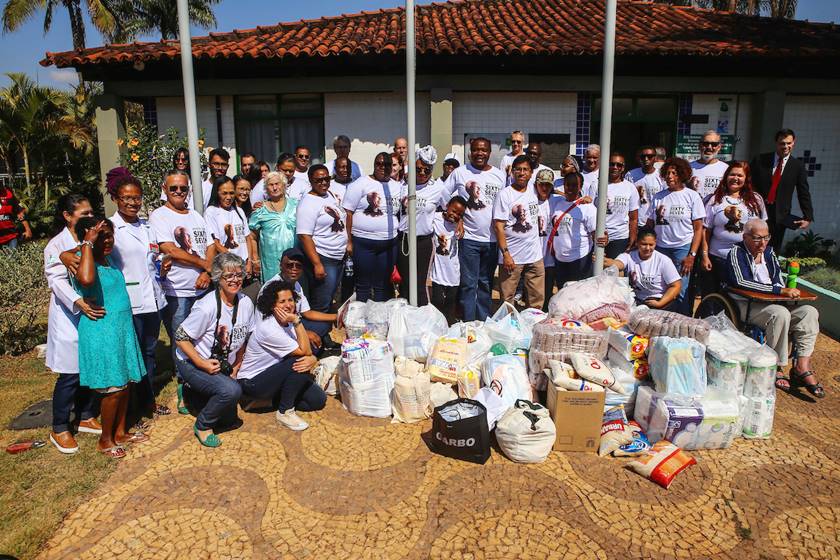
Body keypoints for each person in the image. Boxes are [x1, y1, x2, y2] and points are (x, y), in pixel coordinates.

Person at [73, 217, 148, 458]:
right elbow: (85, 280)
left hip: (120, 330)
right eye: (101, 236)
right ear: (88, 238)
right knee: (113, 389)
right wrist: (86, 244)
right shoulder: (84, 261)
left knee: (124, 385)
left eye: (109, 236)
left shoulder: (107, 259)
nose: (107, 241)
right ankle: (105, 440)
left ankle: (121, 432)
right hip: (102, 331)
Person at [725, 219, 823, 398]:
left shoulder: (769, 252)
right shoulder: (736, 252)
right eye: (756, 238)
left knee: (809, 312)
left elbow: (778, 277)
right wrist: (778, 290)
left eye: (766, 237)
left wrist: (781, 290)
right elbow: (742, 281)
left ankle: (801, 366)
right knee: (780, 314)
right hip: (748, 304)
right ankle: (776, 366)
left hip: (774, 302)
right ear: (745, 236)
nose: (762, 243)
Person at [106, 170, 170, 418]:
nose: (133, 202)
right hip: (129, 302)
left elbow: (152, 256)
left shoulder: (147, 226)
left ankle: (148, 402)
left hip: (153, 298)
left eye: (137, 197)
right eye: (126, 198)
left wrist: (162, 262)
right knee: (130, 357)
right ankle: (132, 409)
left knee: (149, 353)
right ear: (116, 199)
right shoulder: (111, 228)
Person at [150, 170, 214, 414]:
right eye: (174, 188)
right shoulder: (159, 216)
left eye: (183, 188)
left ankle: (201, 380)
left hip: (202, 287)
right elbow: (170, 249)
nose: (179, 192)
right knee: (181, 339)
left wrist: (207, 272)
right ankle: (183, 386)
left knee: (201, 337)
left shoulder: (196, 215)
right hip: (177, 291)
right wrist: (203, 265)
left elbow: (208, 245)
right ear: (165, 189)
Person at [175, 253, 254, 447]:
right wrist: (201, 363)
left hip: (222, 363)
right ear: (218, 278)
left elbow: (244, 338)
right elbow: (180, 337)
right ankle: (202, 426)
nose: (235, 280)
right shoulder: (206, 306)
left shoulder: (246, 302)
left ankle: (190, 393)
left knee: (228, 419)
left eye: (238, 274)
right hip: (193, 362)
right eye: (229, 276)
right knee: (231, 391)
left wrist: (237, 365)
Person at [45, 194, 100, 454]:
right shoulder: (56, 246)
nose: (89, 218)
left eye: (91, 212)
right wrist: (78, 301)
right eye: (83, 214)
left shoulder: (91, 237)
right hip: (69, 315)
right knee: (70, 374)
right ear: (67, 216)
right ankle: (59, 426)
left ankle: (86, 414)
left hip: (91, 311)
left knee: (89, 365)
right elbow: (56, 281)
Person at [237, 280, 324, 431]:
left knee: (317, 400)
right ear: (272, 305)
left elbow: (307, 350)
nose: (288, 305)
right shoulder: (269, 328)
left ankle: (267, 401)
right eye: (282, 301)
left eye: (290, 300)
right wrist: (297, 321)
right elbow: (305, 352)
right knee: (299, 361)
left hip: (276, 374)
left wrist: (313, 358)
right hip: (253, 382)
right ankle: (285, 411)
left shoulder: (287, 323)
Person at [442, 137, 506, 320]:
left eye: (484, 150)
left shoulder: (500, 176)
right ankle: (469, 323)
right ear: (470, 151)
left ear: (489, 153)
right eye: (476, 150)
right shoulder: (460, 173)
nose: (480, 153)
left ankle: (483, 322)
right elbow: (444, 196)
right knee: (469, 284)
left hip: (492, 240)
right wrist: (456, 219)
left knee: (485, 283)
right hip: (469, 240)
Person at [645, 157, 705, 315]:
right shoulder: (658, 197)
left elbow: (698, 229)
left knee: (680, 290)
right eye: (668, 173)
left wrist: (692, 254)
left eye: (675, 173)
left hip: (682, 249)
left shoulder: (692, 196)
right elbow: (650, 224)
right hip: (660, 249)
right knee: (661, 287)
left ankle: (682, 324)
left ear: (683, 174)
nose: (670, 176)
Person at [343, 152, 401, 302]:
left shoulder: (397, 187)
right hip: (363, 242)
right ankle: (363, 320)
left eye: (387, 164)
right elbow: (348, 213)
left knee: (382, 284)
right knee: (363, 284)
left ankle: (378, 319)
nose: (383, 167)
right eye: (379, 164)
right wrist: (349, 241)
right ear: (374, 165)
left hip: (389, 243)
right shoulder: (361, 183)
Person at [260, 248, 339, 352]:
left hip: (293, 323)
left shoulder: (296, 284)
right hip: (277, 331)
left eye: (298, 266)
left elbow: (307, 313)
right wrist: (305, 333)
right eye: (289, 265)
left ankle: (310, 344)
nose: (294, 269)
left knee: (324, 325)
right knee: (313, 348)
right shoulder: (270, 288)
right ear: (280, 266)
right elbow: (268, 326)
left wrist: (337, 317)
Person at [702, 161, 767, 285]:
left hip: (744, 258)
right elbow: (706, 231)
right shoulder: (715, 200)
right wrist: (705, 256)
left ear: (746, 179)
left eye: (740, 175)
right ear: (726, 176)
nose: (735, 178)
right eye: (732, 175)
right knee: (713, 297)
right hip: (717, 258)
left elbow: (763, 230)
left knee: (736, 296)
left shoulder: (756, 200)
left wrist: (759, 254)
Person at [750, 128, 813, 253]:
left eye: (788, 143)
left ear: (793, 143)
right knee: (753, 246)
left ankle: (770, 271)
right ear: (776, 143)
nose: (785, 146)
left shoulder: (797, 166)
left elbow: (803, 192)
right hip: (758, 212)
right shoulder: (760, 160)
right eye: (782, 143)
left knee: (773, 250)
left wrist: (808, 216)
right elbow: (749, 183)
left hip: (779, 215)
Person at [494, 155, 545, 309]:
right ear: (512, 172)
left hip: (535, 257)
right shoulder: (505, 195)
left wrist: (582, 199)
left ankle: (532, 326)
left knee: (536, 299)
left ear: (531, 173)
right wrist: (506, 254)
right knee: (507, 301)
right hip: (512, 258)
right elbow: (498, 226)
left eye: (525, 170)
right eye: (518, 170)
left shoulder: (534, 191)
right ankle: (508, 330)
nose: (522, 173)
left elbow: (552, 192)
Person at [397, 146, 444, 305]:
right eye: (418, 169)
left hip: (423, 242)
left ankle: (422, 318)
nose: (422, 173)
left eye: (427, 170)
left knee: (419, 284)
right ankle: (404, 318)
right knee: (405, 282)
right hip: (403, 240)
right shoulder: (403, 185)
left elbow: (450, 207)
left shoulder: (438, 188)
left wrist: (459, 222)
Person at [297, 164, 347, 313]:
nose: (324, 183)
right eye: (319, 180)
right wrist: (317, 264)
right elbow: (304, 236)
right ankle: (318, 333)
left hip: (338, 256)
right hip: (324, 257)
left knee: (329, 296)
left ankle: (323, 332)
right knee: (321, 300)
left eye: (327, 179)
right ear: (310, 181)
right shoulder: (307, 203)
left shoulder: (329, 195)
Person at [604, 229, 681, 309]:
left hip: (658, 301)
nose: (647, 248)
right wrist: (600, 258)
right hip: (636, 300)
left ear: (655, 243)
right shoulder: (629, 256)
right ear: (637, 243)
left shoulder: (664, 260)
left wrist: (660, 303)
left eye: (651, 245)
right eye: (644, 244)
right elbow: (617, 264)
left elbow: (676, 286)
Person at [547, 171, 599, 290]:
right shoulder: (557, 202)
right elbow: (548, 191)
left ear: (580, 187)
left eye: (574, 185)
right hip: (560, 259)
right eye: (568, 185)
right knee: (563, 292)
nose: (570, 188)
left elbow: (595, 234)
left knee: (579, 294)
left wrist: (598, 252)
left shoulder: (587, 208)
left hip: (580, 259)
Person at [249, 171, 298, 283]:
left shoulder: (296, 205)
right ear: (266, 188)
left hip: (293, 259)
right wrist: (255, 260)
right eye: (271, 185)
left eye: (277, 184)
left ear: (284, 185)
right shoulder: (260, 210)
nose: (275, 188)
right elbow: (252, 236)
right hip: (270, 262)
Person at [204, 176, 255, 278]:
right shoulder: (211, 212)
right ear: (217, 193)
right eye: (224, 193)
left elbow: (247, 238)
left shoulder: (239, 211)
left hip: (243, 265)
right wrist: (236, 262)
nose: (228, 197)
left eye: (231, 193)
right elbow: (215, 244)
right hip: (227, 267)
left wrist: (249, 261)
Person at [429, 197, 467, 321]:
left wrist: (460, 221)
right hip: (438, 271)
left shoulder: (459, 224)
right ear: (447, 206)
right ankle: (436, 325)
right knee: (438, 301)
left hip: (453, 272)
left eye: (459, 214)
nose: (455, 215)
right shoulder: (435, 217)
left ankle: (449, 327)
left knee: (450, 302)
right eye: (454, 211)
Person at [599, 152, 640, 259]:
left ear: (623, 168)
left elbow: (633, 217)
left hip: (620, 237)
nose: (615, 167)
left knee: (615, 271)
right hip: (599, 236)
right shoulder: (596, 185)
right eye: (612, 164)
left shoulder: (630, 188)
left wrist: (633, 237)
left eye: (619, 165)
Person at [534, 169, 558, 306]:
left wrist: (585, 199)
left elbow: (573, 199)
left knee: (548, 288)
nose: (544, 188)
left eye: (548, 185)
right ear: (536, 184)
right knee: (533, 290)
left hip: (550, 255)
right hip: (534, 253)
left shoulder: (557, 200)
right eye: (541, 184)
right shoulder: (530, 199)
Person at [690, 130, 730, 202]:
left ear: (719, 147)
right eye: (705, 143)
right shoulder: (688, 168)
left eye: (714, 144)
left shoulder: (726, 169)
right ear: (699, 145)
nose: (709, 147)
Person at [633, 146, 666, 228]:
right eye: (643, 156)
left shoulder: (661, 175)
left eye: (650, 156)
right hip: (637, 222)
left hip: (655, 222)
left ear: (655, 158)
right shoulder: (631, 175)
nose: (646, 159)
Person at [0, 184, 31, 248]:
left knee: (13, 257)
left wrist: (27, 229)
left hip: (11, 237)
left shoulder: (9, 195)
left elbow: (19, 212)